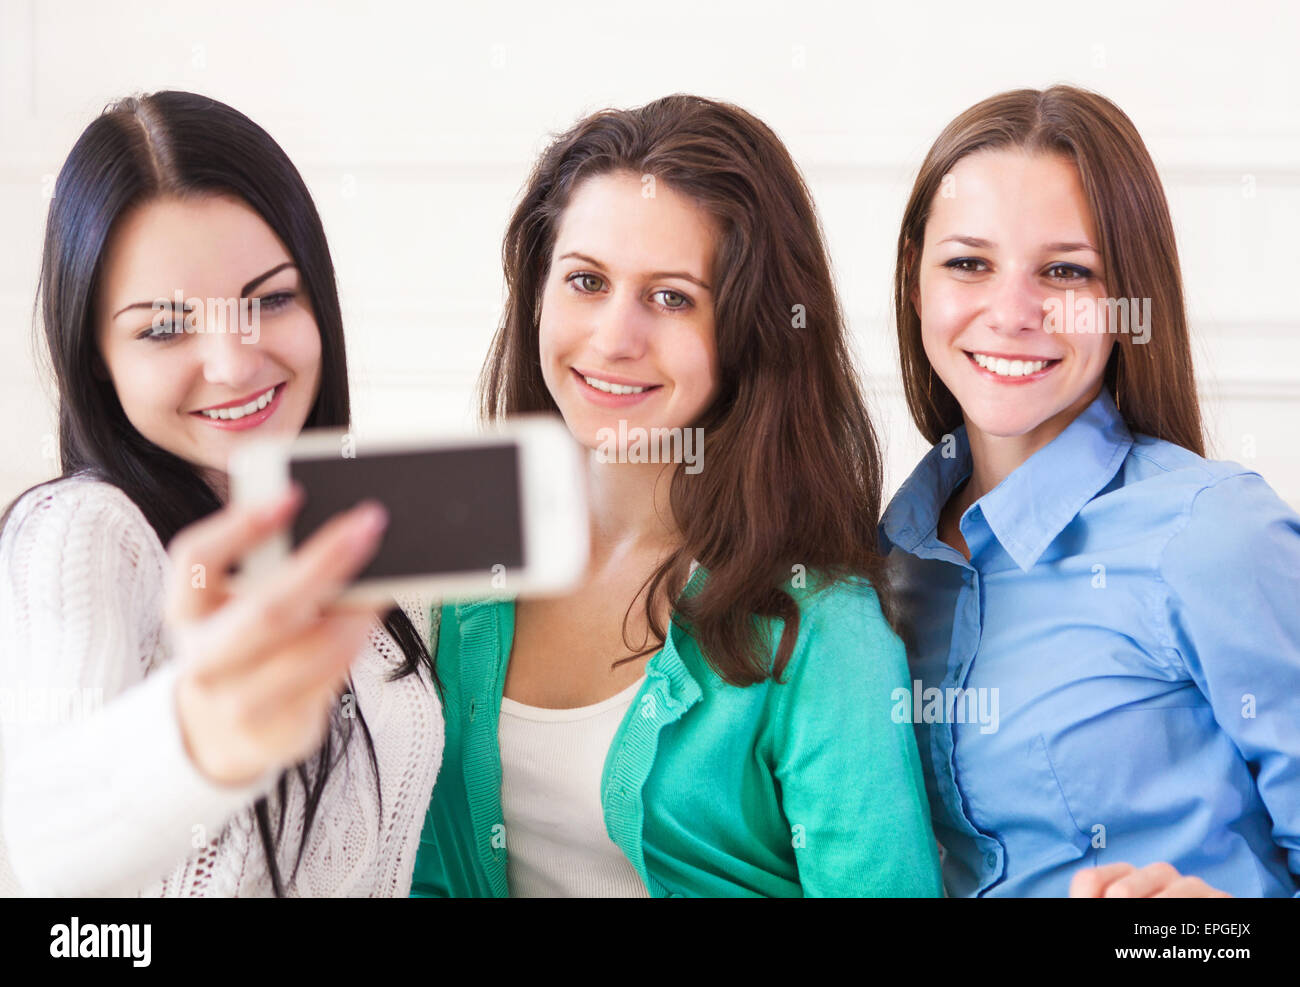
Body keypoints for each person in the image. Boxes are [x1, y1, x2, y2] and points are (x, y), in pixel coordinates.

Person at [411, 94, 942, 897]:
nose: (614, 339)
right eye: (586, 280)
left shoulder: (823, 629)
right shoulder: (451, 570)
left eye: (671, 298)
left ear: (749, 329)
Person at [0, 91, 443, 897]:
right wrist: (196, 736)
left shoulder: (353, 536)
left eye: (270, 298)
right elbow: (34, 847)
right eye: (165, 327)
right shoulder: (84, 533)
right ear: (97, 354)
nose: (235, 365)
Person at [881, 85, 1300, 897]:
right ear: (914, 280)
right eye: (969, 263)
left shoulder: (1216, 534)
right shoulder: (880, 571)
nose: (1012, 313)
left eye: (1067, 271)